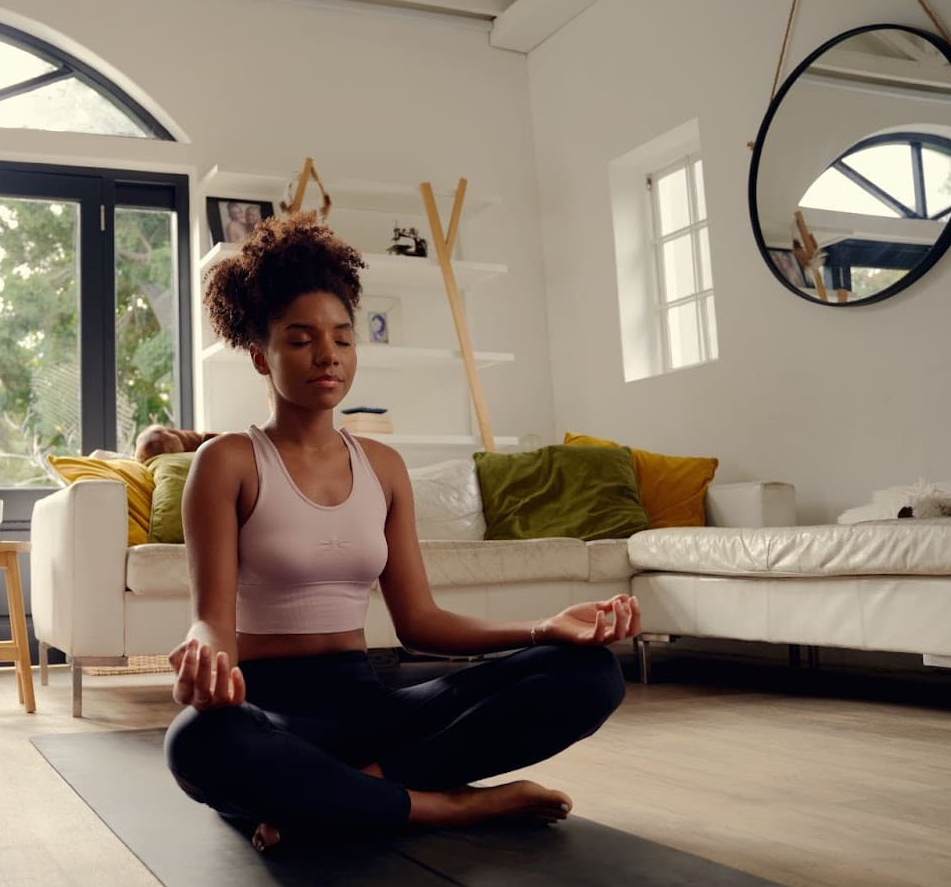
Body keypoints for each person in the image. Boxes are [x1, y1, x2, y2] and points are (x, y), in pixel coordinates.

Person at [164, 213, 637, 853]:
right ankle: (444, 808)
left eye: (342, 338)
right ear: (260, 355)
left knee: (590, 674)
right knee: (197, 741)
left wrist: (543, 628)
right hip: (271, 709)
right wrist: (203, 658)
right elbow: (211, 620)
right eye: (300, 339)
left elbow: (419, 621)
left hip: (370, 706)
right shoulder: (226, 462)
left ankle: (345, 797)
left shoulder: (383, 468)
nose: (327, 354)